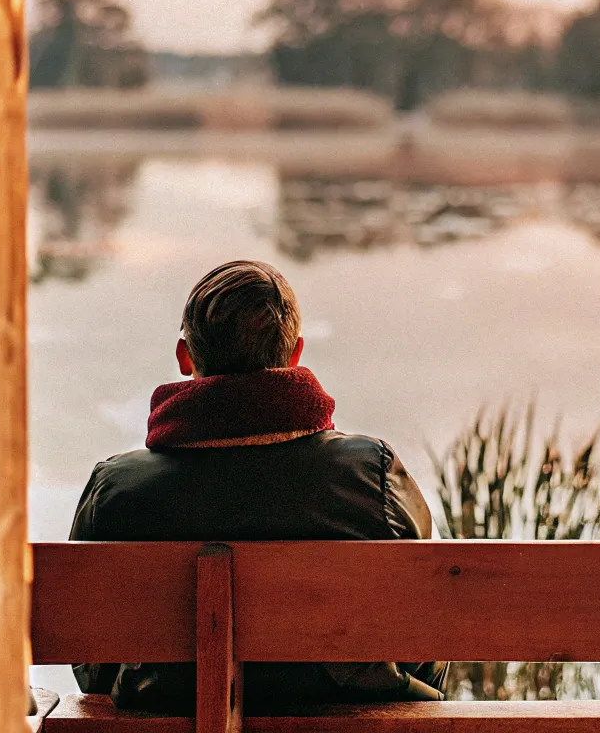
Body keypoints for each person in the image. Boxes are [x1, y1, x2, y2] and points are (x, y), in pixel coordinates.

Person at [71, 260, 445, 714]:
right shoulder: (371, 474)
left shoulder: (116, 489)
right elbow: (428, 630)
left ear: (185, 356)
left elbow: (89, 658)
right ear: (295, 355)